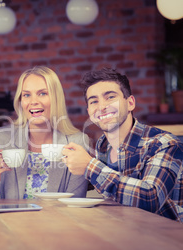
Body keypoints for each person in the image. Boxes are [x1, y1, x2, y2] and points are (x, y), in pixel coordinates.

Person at [63, 67, 183, 222]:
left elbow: (150, 199)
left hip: (167, 240)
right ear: (89, 112)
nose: (101, 107)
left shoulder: (164, 144)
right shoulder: (102, 146)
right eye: (94, 101)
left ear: (130, 103)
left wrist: (89, 166)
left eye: (110, 97)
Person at [0, 66, 90, 199]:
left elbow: (76, 203)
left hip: (58, 219)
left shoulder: (78, 142)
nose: (33, 102)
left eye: (42, 93)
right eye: (26, 95)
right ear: (20, 101)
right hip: (10, 219)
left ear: (56, 98)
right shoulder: (1, 138)